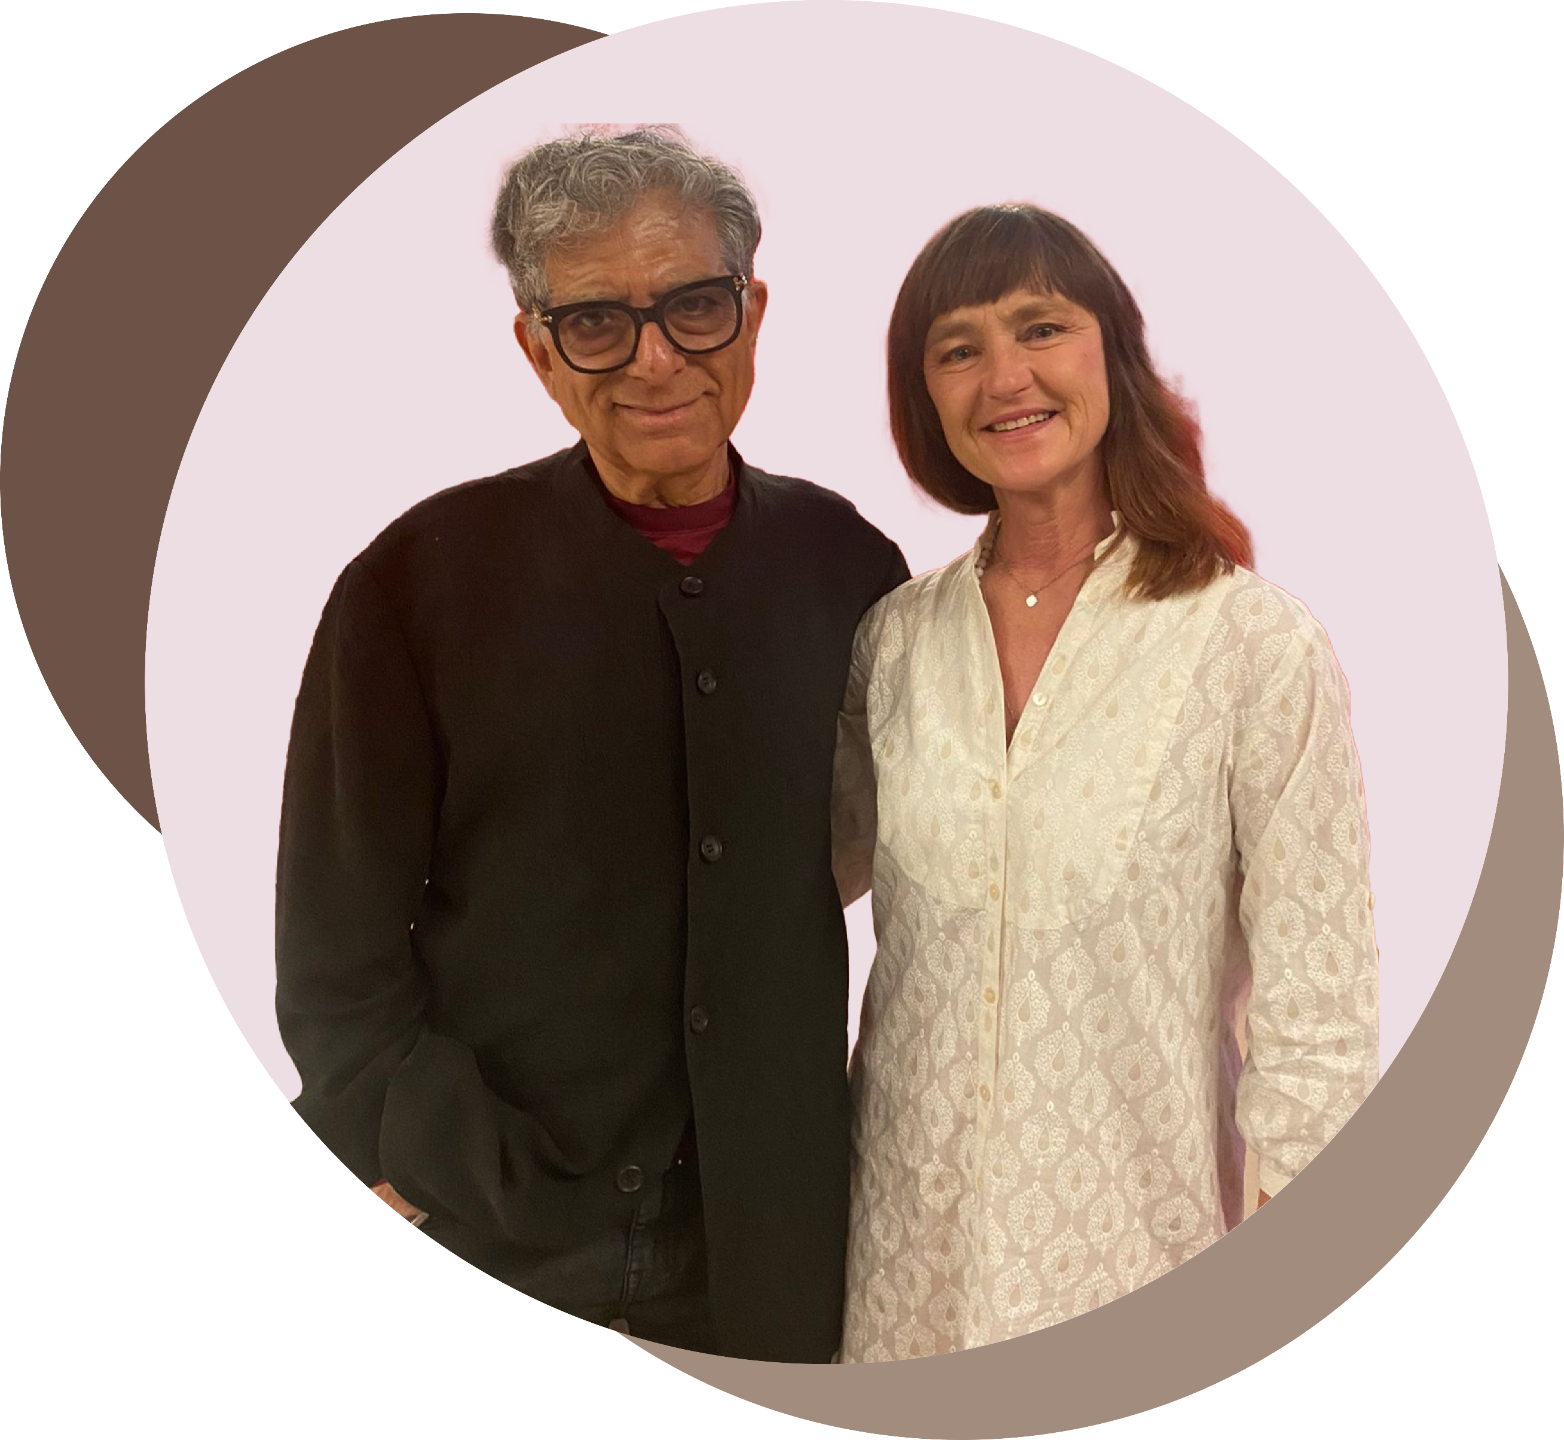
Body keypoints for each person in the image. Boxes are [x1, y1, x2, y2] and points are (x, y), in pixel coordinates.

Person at [274, 125, 909, 1363]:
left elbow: (885, 857)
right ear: (536, 348)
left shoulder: (849, 567)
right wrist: (406, 1155)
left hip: (768, 1248)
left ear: (753, 312)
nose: (655, 359)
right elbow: (332, 956)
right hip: (490, 1224)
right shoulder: (415, 582)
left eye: (694, 306)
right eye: (597, 323)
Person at [829, 204, 1380, 1361]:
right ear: (923, 396)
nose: (1005, 377)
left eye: (1040, 328)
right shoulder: (893, 641)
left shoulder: (1249, 644)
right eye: (958, 348)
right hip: (900, 1269)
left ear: (1112, 355)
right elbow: (798, 885)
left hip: (1140, 1266)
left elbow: (1319, 1011)